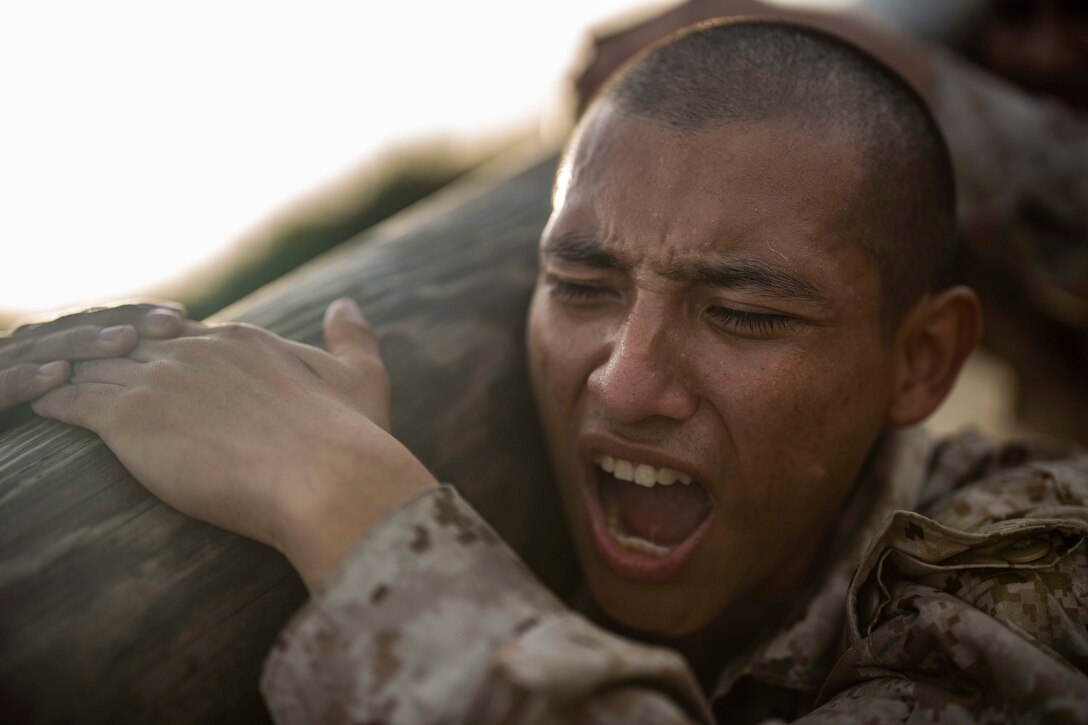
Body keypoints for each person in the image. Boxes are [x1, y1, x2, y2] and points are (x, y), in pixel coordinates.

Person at [2, 19, 1087, 723]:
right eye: (578, 284)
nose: (622, 383)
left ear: (921, 360)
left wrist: (343, 499)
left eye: (745, 312)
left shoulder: (1040, 564)